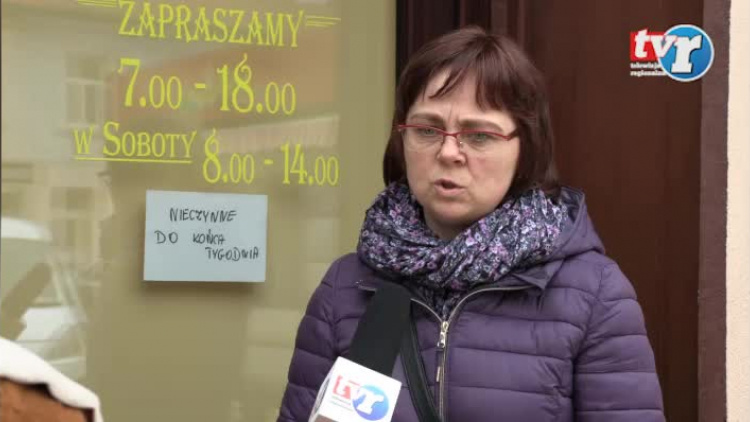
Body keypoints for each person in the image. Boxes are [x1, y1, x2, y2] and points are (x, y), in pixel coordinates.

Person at [277, 26, 665, 421]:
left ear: (525, 147)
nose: (449, 152)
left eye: (478, 135)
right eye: (427, 130)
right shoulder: (346, 288)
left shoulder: (593, 294)